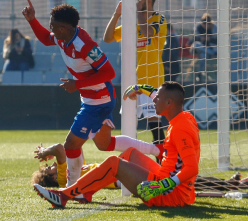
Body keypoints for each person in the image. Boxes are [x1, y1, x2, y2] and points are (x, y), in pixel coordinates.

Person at [22, 0, 163, 202]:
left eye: (53, 26)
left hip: (99, 100)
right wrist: (32, 20)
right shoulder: (62, 37)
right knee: (104, 144)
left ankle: (73, 190)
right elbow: (45, 38)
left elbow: (109, 72)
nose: (51, 29)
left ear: (64, 27)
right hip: (91, 98)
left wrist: (77, 84)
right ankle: (156, 149)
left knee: (70, 144)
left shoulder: (84, 44)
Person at [33, 81, 201, 208]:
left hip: (171, 193)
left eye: (158, 98)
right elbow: (162, 96)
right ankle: (85, 193)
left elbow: (192, 168)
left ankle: (64, 196)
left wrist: (161, 185)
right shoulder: (183, 116)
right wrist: (143, 88)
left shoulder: (180, 128)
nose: (153, 100)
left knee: (114, 163)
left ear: (169, 103)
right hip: (168, 181)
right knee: (130, 153)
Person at [31, 142, 248, 193]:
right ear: (51, 179)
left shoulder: (71, 172)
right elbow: (62, 149)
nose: (52, 166)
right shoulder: (63, 179)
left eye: (50, 165)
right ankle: (230, 186)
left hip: (121, 171)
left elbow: (71, 149)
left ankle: (228, 185)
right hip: (122, 178)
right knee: (174, 180)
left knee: (172, 175)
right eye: (49, 169)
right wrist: (46, 152)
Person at [103, 0, 167, 149]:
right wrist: (117, 14)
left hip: (152, 78)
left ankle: (163, 159)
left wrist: (138, 12)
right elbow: (107, 38)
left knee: (153, 121)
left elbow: (147, 33)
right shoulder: (132, 22)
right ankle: (132, 159)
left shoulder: (158, 18)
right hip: (132, 80)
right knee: (129, 122)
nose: (135, 1)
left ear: (148, 0)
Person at [189, 13, 217, 83]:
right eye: (204, 24)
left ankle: (200, 74)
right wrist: (201, 38)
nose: (205, 26)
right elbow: (195, 39)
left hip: (212, 48)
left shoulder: (214, 27)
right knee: (196, 45)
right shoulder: (199, 27)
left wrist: (209, 39)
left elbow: (218, 40)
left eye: (207, 24)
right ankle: (209, 53)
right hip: (202, 48)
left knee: (203, 55)